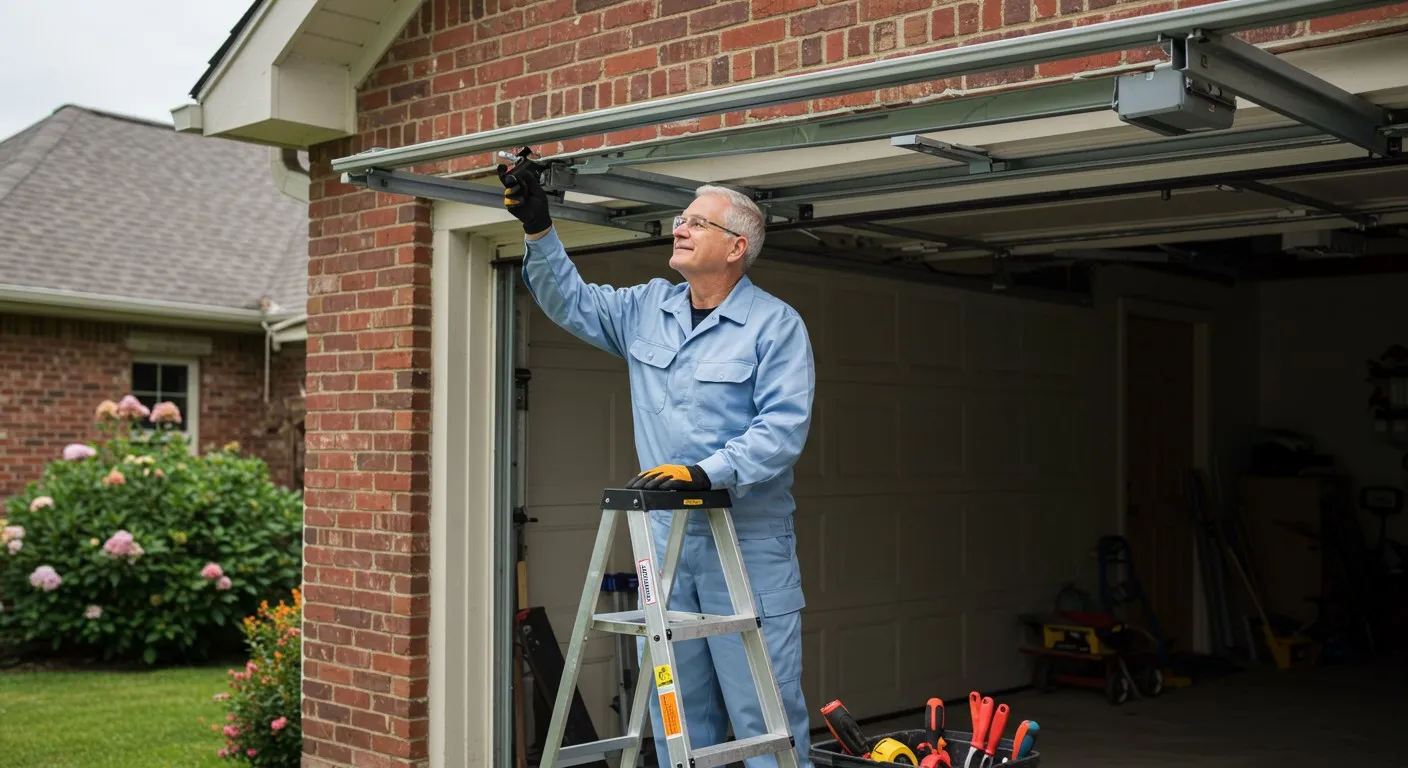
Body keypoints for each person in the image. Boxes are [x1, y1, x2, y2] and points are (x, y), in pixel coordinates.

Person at [500, 154, 816, 768]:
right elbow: (570, 302)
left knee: (762, 711)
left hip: (744, 545)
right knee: (678, 713)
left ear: (736, 247)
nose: (681, 226)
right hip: (664, 545)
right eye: (682, 216)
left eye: (698, 221)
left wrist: (704, 474)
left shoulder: (774, 326)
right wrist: (539, 229)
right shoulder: (648, 308)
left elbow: (783, 429)